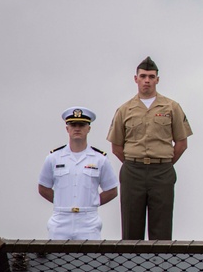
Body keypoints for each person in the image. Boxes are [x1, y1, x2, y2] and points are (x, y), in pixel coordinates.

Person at [107, 56, 193, 240]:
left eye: (151, 76)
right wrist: (136, 162)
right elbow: (116, 146)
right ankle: (130, 267)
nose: (147, 80)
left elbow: (181, 143)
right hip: (133, 172)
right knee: (131, 230)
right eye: (143, 76)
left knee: (161, 231)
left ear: (157, 80)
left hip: (161, 172)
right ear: (135, 78)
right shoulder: (124, 110)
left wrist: (163, 162)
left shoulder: (171, 107)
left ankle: (161, 268)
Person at [37, 107, 119, 240]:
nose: (77, 128)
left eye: (81, 125)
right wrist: (60, 201)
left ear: (88, 129)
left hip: (88, 220)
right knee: (57, 259)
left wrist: (93, 202)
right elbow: (43, 187)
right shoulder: (54, 158)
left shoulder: (100, 159)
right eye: (73, 125)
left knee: (91, 259)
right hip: (61, 219)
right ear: (67, 129)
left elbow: (112, 190)